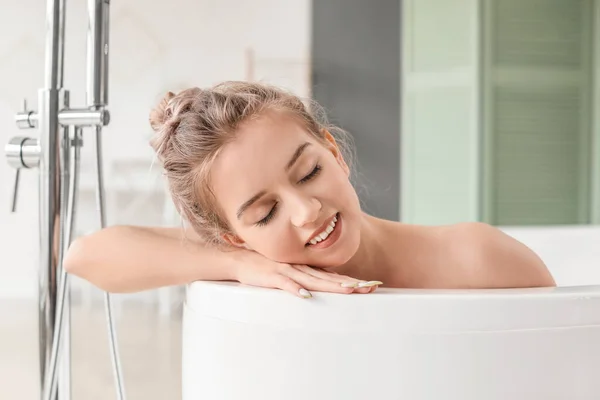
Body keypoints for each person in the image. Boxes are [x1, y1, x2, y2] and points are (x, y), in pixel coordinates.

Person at [64, 81, 556, 298]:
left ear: (334, 152)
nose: (306, 211)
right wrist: (239, 264)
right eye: (263, 214)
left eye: (307, 173)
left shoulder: (478, 257)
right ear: (233, 234)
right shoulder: (241, 261)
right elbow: (84, 256)